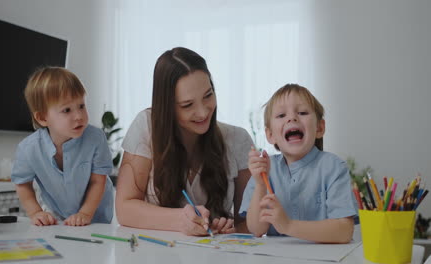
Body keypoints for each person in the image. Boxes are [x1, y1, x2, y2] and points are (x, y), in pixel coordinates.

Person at [116, 47, 253, 236]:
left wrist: (231, 230)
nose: (203, 112)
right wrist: (179, 220)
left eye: (208, 95)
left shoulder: (238, 139)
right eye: (187, 105)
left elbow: (248, 223)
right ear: (167, 107)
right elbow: (125, 209)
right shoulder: (146, 126)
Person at [240, 84, 357, 243]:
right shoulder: (265, 170)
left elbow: (344, 232)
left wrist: (288, 226)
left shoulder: (334, 167)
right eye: (281, 115)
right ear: (270, 135)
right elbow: (256, 229)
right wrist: (261, 185)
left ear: (319, 128)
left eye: (302, 112)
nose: (292, 118)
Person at [11, 67, 114, 226]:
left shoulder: (96, 138)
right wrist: (35, 212)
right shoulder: (28, 149)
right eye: (67, 110)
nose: (79, 116)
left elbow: (97, 181)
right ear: (43, 118)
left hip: (96, 219)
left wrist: (85, 213)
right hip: (57, 220)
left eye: (81, 106)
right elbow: (23, 184)